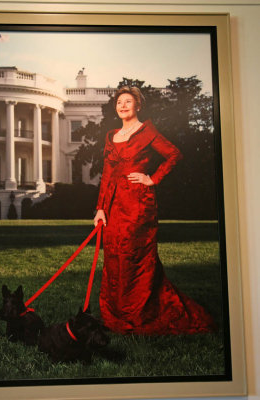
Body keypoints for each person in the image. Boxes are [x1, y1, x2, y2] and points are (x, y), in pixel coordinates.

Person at [94, 86, 215, 335]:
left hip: (138, 205)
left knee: (134, 257)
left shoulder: (147, 132)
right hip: (114, 208)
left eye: (129, 101)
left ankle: (138, 312)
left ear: (138, 106)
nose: (123, 105)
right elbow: (106, 176)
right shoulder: (111, 136)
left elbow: (174, 155)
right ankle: (116, 312)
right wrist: (100, 209)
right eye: (119, 102)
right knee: (114, 257)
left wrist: (152, 178)